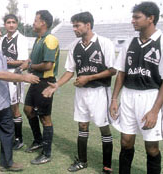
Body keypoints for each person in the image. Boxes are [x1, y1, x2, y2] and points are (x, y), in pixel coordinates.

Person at [43, 11, 115, 173]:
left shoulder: (104, 43)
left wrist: (88, 78)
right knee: (82, 125)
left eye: (77, 26)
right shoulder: (75, 46)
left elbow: (112, 70)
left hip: (100, 92)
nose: (74, 29)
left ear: (88, 25)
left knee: (103, 127)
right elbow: (70, 71)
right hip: (82, 93)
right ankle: (82, 161)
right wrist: (57, 85)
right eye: (73, 26)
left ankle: (107, 167)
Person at [0, 19, 39, 174]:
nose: (0, 33)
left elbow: (4, 69)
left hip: (2, 101)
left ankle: (7, 162)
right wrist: (24, 78)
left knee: (8, 133)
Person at [109, 2, 163, 174]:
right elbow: (121, 73)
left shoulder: (161, 42)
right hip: (128, 96)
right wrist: (114, 99)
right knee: (125, 141)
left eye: (137, 17)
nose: (133, 21)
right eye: (133, 17)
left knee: (152, 147)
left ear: (151, 18)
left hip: (150, 97)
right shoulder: (130, 43)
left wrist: (155, 111)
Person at [19, 10, 59, 165]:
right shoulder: (39, 39)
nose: (33, 23)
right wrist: (27, 62)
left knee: (45, 117)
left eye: (35, 20)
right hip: (36, 80)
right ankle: (38, 140)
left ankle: (47, 153)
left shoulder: (50, 39)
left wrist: (30, 66)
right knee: (28, 110)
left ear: (43, 23)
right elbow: (33, 59)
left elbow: (48, 64)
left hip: (45, 82)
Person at [0, 14, 29, 150]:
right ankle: (7, 135)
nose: (11, 25)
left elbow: (23, 61)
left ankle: (19, 138)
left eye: (13, 22)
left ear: (17, 24)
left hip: (15, 75)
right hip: (2, 74)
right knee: (4, 106)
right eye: (8, 22)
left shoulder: (21, 39)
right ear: (4, 24)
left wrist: (6, 62)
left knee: (14, 107)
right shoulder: (1, 39)